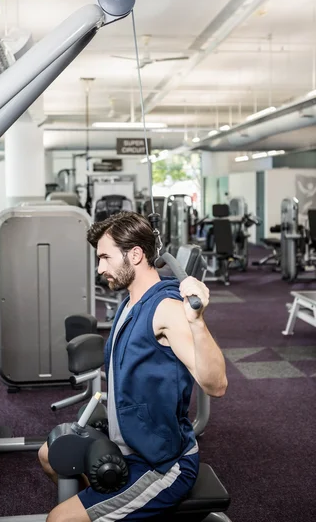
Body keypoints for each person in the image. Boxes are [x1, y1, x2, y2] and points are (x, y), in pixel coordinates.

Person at [38, 211, 228, 522]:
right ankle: (111, 510)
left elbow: (217, 384)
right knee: (49, 455)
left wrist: (197, 323)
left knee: (58, 520)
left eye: (105, 258)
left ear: (136, 254)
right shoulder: (130, 301)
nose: (100, 268)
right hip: (127, 444)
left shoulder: (167, 310)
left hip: (161, 464)